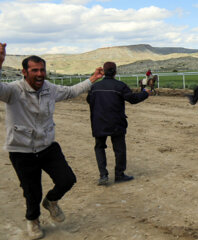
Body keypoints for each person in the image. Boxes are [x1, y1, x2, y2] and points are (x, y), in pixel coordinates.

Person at [0, 42, 104, 240]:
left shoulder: (49, 88)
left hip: (47, 147)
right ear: (24, 72)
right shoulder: (12, 91)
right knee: (32, 191)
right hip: (22, 151)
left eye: (42, 70)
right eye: (34, 70)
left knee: (67, 179)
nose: (40, 74)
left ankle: (52, 201)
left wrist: (92, 79)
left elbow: (71, 91)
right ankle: (33, 220)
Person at [87, 62, 150, 186]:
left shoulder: (95, 87)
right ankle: (119, 174)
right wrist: (146, 93)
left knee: (99, 147)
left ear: (103, 72)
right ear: (115, 72)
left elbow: (89, 100)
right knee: (119, 149)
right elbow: (133, 99)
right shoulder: (120, 86)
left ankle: (103, 175)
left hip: (98, 122)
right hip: (116, 122)